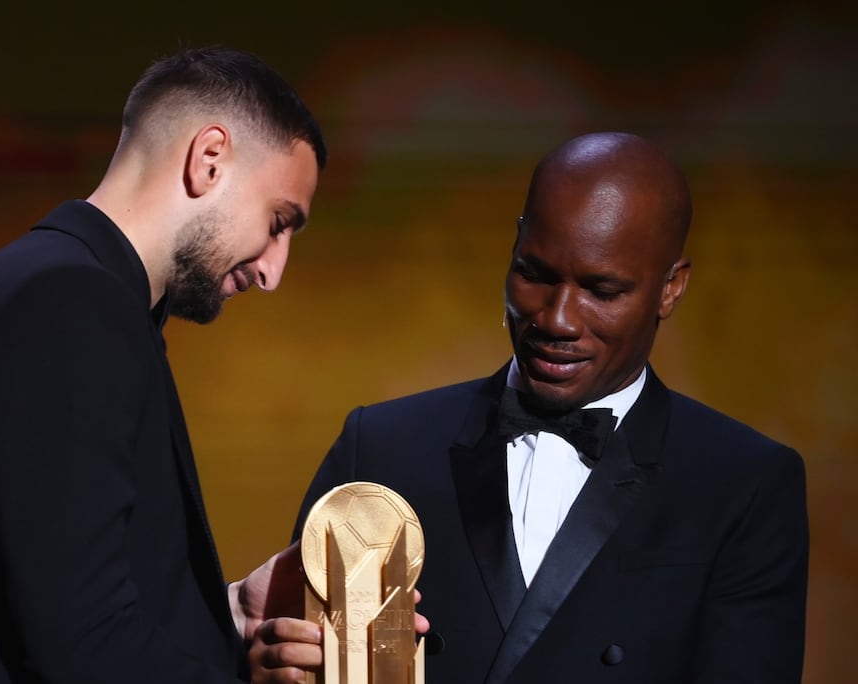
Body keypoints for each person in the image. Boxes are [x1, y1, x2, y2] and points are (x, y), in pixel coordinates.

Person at [0, 46, 329, 683]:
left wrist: (229, 614)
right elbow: (83, 648)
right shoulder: (70, 307)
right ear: (209, 160)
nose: (272, 270)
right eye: (278, 222)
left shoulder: (31, 288)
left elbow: (38, 588)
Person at [257, 131, 809, 683]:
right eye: (535, 275)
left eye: (602, 290)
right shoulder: (380, 445)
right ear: (514, 247)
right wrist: (267, 667)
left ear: (671, 288)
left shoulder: (745, 483)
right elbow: (289, 649)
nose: (557, 319)